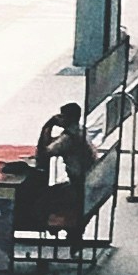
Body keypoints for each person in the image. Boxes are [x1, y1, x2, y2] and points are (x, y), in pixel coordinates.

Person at [30, 100, 89, 245]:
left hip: (78, 184)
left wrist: (47, 126)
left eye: (62, 116)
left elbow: (43, 152)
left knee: (43, 198)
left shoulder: (68, 138)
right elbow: (54, 144)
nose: (59, 119)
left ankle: (54, 225)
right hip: (86, 179)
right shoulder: (80, 130)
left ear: (68, 118)